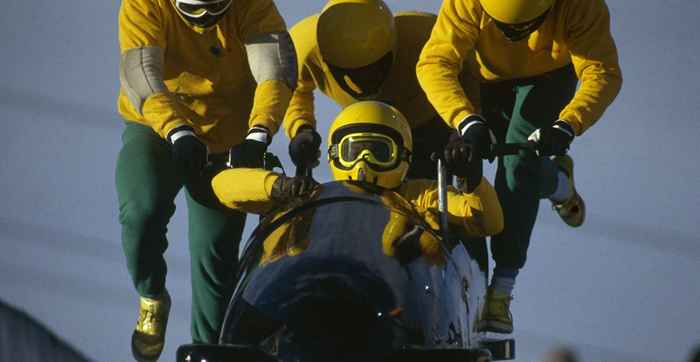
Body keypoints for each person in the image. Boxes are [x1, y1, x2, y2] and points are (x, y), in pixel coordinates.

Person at [416, 0, 622, 334]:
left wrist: (567, 124)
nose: (515, 36)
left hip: (548, 78)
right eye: (505, 28)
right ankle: (553, 182)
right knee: (466, 165)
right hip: (482, 77)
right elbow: (434, 63)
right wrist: (465, 120)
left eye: (525, 28)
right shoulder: (465, 3)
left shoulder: (581, 6)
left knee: (518, 165)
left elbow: (603, 72)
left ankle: (502, 289)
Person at [116, 0, 296, 359]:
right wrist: (177, 130)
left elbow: (274, 67)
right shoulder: (144, 5)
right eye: (193, 8)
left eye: (215, 7)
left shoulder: (252, 5)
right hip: (158, 126)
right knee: (141, 209)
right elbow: (141, 73)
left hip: (226, 135)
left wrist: (259, 133)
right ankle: (152, 295)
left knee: (215, 261)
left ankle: (208, 350)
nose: (204, 18)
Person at [212, 101, 504, 254]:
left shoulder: (420, 195)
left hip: (395, 300)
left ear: (403, 156)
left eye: (379, 151)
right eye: (353, 151)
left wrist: (472, 178)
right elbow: (222, 186)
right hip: (319, 294)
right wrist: (280, 186)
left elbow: (489, 221)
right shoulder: (310, 195)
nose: (363, 163)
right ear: (334, 155)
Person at [282, 0, 480, 180]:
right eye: (352, 74)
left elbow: (471, 73)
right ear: (325, 58)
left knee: (432, 202)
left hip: (429, 126)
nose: (363, 83)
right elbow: (292, 88)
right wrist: (301, 128)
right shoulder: (303, 46)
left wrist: (462, 127)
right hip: (365, 129)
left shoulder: (425, 34)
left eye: (372, 71)